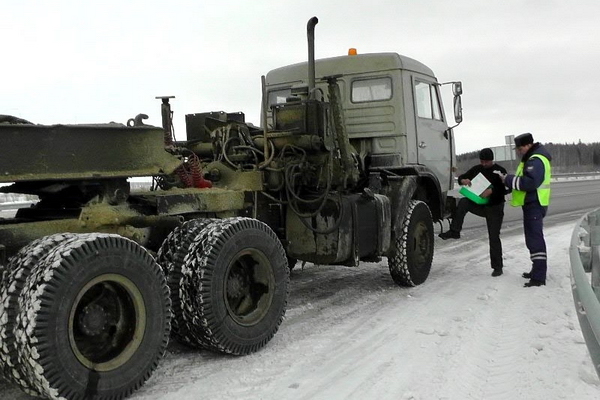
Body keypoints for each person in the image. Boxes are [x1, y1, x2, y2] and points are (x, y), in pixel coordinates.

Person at [439, 148, 508, 277]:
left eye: (486, 161)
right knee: (463, 202)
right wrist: (463, 180)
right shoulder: (477, 169)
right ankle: (455, 231)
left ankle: (497, 267)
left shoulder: (500, 171)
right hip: (480, 205)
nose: (484, 164)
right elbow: (462, 177)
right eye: (482, 161)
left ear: (492, 160)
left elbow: (507, 189)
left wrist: (491, 192)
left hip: (495, 208)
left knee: (494, 237)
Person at [501, 133, 552, 288]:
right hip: (531, 204)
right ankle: (536, 269)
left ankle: (538, 277)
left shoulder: (536, 160)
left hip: (535, 204)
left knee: (535, 240)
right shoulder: (531, 159)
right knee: (532, 239)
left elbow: (529, 183)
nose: (518, 151)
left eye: (520, 148)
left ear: (529, 145)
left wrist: (507, 179)